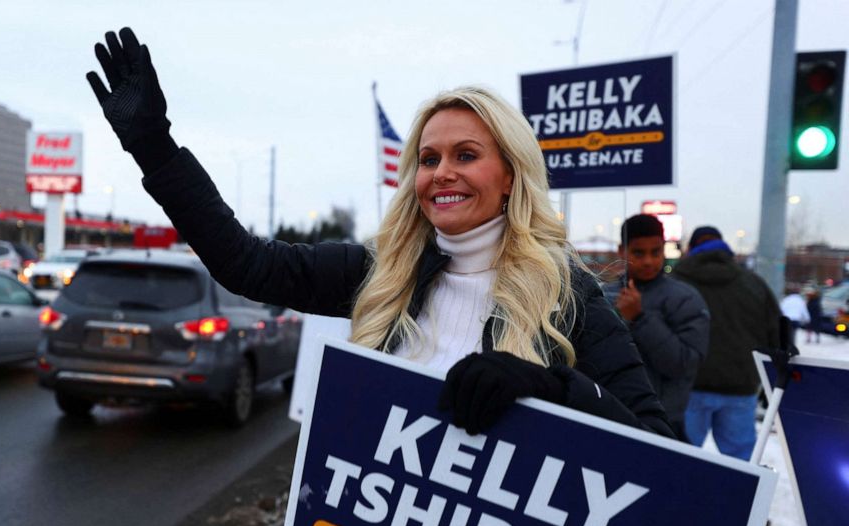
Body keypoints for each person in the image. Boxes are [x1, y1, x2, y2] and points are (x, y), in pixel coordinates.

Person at [85, 28, 673, 438]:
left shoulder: (569, 294)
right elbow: (246, 264)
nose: (441, 172)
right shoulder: (381, 271)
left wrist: (551, 388)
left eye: (466, 155)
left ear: (510, 176)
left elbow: (660, 448)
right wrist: (155, 149)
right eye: (428, 158)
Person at [672, 226, 780, 459]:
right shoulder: (753, 284)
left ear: (691, 248)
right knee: (740, 465)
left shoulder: (676, 281)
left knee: (679, 461)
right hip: (740, 386)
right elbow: (777, 333)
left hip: (687, 387)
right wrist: (771, 381)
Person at [603, 214, 710, 441]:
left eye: (656, 252)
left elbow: (683, 365)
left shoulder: (685, 299)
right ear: (622, 251)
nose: (648, 261)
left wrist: (640, 318)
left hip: (663, 425)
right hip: (608, 417)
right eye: (638, 253)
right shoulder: (603, 295)